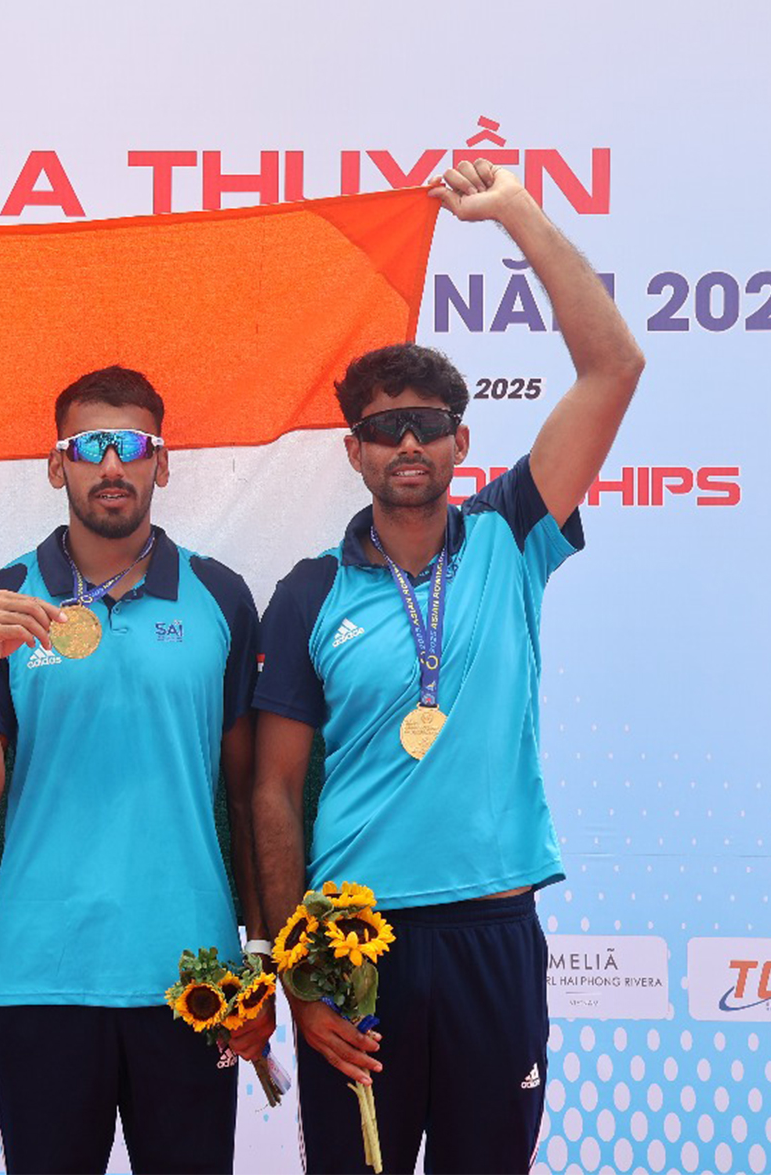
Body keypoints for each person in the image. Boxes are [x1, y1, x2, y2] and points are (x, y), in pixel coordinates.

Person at [251, 158, 644, 1173]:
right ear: (355, 451)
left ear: (460, 440)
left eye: (426, 424)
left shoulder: (513, 532)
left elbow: (613, 367)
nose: (407, 442)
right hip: (351, 942)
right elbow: (274, 791)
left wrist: (514, 211)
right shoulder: (309, 591)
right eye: (383, 428)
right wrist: (297, 974)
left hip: (490, 931)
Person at [0, 365, 270, 1174]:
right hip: (46, 976)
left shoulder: (221, 597)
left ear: (163, 462)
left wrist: (259, 960)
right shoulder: (0, 598)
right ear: (58, 465)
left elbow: (249, 798)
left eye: (132, 445)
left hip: (194, 977)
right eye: (90, 447)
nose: (112, 466)